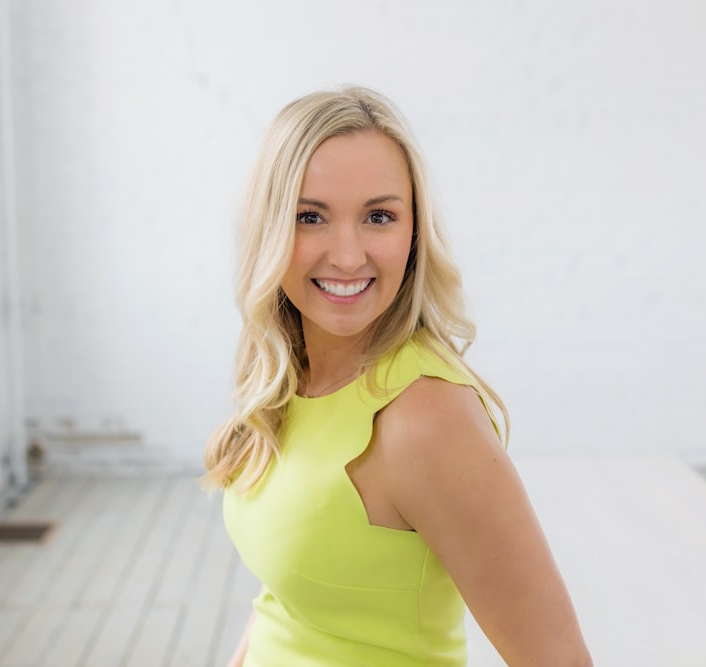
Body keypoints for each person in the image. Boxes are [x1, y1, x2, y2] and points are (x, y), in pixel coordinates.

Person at [204, 86, 591, 667]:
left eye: (378, 216)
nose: (348, 255)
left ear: (414, 233)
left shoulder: (425, 419)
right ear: (271, 227)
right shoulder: (290, 379)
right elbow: (286, 601)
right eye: (310, 217)